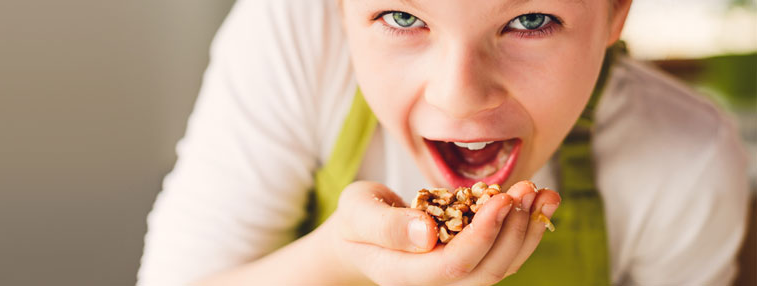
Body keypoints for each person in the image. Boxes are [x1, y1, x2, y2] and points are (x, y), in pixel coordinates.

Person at [137, 0, 750, 285]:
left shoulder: (687, 159)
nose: (459, 97)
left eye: (530, 21)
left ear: (617, 14)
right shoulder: (295, 40)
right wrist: (340, 259)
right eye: (403, 18)